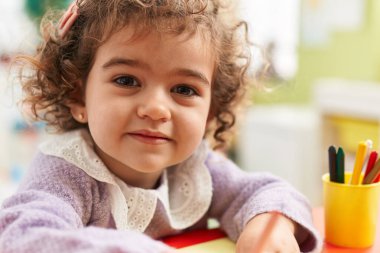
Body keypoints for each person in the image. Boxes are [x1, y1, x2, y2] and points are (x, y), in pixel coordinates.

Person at [0, 0, 322, 252]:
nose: (156, 109)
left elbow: (267, 192)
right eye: (127, 80)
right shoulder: (66, 170)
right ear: (78, 95)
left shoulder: (196, 167)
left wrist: (271, 224)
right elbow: (21, 236)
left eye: (184, 90)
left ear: (210, 110)